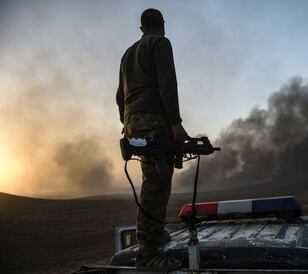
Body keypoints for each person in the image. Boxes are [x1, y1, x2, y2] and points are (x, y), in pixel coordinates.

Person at [116, 8, 188, 271]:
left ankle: (153, 235)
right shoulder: (160, 43)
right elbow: (167, 84)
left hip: (133, 121)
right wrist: (175, 122)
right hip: (154, 121)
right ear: (162, 25)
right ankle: (148, 255)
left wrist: (128, 122)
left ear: (141, 28)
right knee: (156, 185)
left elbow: (118, 96)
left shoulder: (127, 54)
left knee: (153, 180)